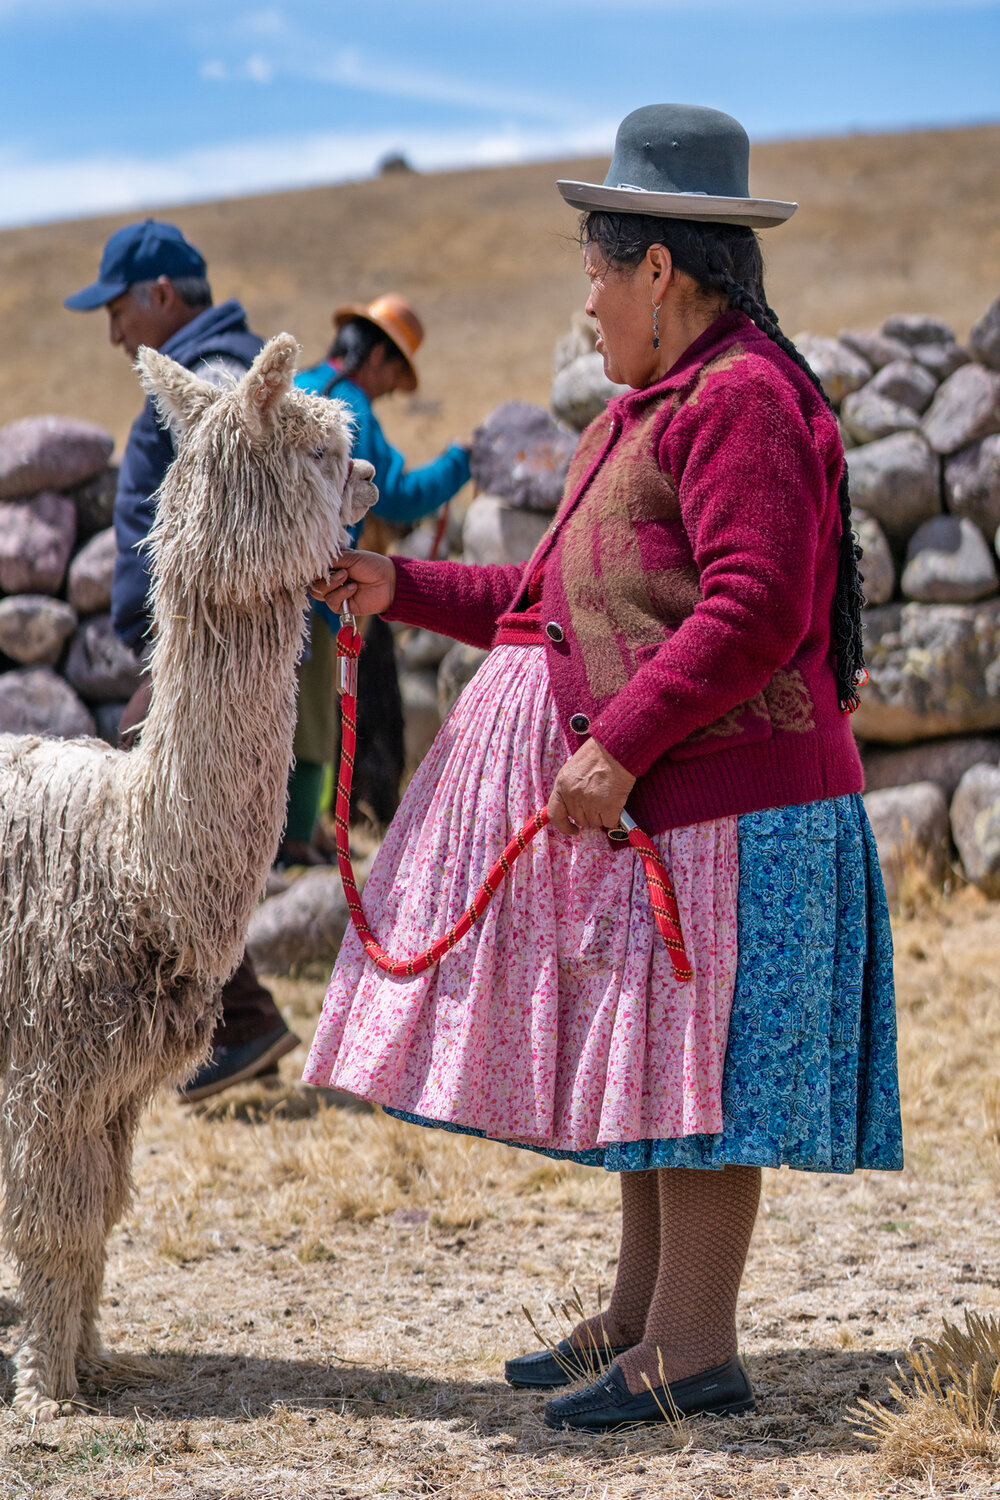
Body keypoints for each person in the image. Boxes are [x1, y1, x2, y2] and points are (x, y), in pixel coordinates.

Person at [305, 104, 902, 1430]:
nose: (586, 303)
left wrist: (620, 744)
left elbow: (755, 610)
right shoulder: (653, 409)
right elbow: (552, 596)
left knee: (702, 1092)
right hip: (678, 814)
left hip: (739, 811)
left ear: (658, 269)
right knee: (656, 1080)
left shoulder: (743, 398)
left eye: (595, 267)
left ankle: (692, 1351)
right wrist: (398, 584)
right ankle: (639, 1320)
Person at [64, 219, 300, 1100]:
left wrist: (194, 652)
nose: (115, 331)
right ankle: (230, 1026)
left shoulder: (211, 380)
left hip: (197, 664)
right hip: (188, 655)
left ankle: (235, 1025)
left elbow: (234, 520)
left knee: (174, 841)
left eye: (120, 308)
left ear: (162, 294)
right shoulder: (211, 370)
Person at [281, 294, 471, 862]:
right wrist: (460, 461)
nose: (390, 389)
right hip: (318, 588)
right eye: (394, 373)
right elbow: (399, 492)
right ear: (380, 356)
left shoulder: (302, 385)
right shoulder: (351, 404)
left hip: (271, 579)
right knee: (315, 719)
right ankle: (295, 841)